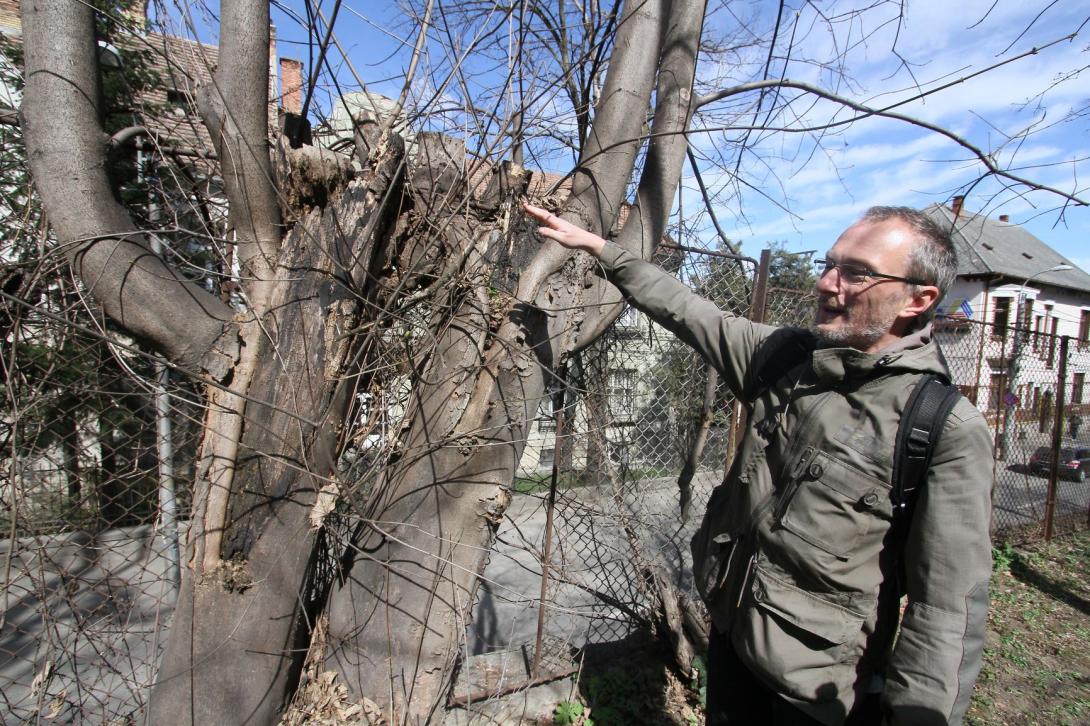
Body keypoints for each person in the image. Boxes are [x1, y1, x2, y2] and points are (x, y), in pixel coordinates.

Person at [523, 202, 993, 725]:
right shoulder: (788, 358)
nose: (827, 283)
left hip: (817, 694)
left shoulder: (941, 426)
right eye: (829, 264)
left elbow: (947, 607)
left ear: (918, 299)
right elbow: (689, 310)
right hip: (731, 642)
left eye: (855, 273)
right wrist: (602, 250)